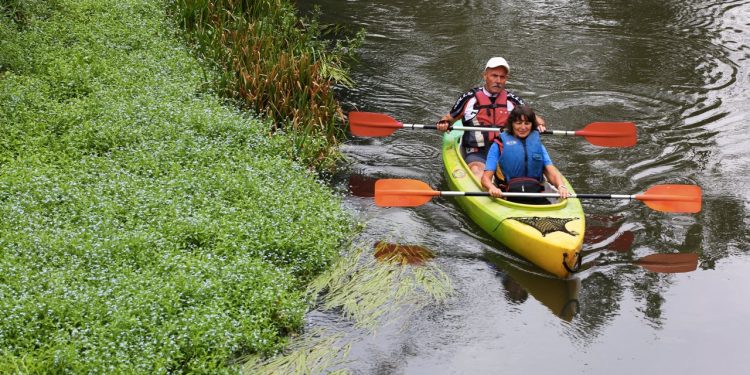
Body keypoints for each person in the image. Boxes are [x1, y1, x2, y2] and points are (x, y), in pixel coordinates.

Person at [436, 57, 546, 179]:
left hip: (504, 149)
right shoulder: (469, 98)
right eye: (494, 76)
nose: (498, 80)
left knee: (526, 171)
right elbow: (448, 118)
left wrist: (539, 125)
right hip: (477, 152)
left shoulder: (513, 100)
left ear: (506, 79)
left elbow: (535, 119)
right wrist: (443, 123)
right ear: (485, 75)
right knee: (478, 172)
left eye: (502, 77)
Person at [481, 105, 570, 204]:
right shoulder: (499, 145)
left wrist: (561, 186)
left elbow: (551, 172)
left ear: (532, 125)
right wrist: (492, 188)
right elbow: (485, 179)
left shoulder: (537, 145)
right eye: (518, 123)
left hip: (536, 193)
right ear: (512, 124)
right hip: (508, 195)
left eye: (527, 123)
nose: (523, 127)